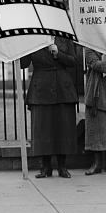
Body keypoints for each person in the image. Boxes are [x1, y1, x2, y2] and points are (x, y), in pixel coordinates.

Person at [21, 37, 78, 178]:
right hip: (41, 89)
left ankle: (62, 167)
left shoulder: (65, 38)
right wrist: (21, 46)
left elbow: (73, 61)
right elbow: (23, 64)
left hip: (63, 88)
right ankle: (45, 167)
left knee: (63, 128)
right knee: (43, 129)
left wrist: (58, 54)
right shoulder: (33, 39)